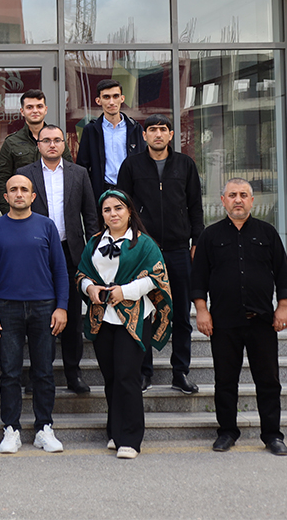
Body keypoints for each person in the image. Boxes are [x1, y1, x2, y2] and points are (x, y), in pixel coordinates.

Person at [191, 178, 287, 456]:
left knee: (268, 381)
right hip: (223, 322)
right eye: (233, 195)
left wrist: (283, 306)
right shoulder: (210, 236)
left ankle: (272, 435)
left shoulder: (267, 232)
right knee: (225, 381)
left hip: (262, 321)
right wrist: (202, 311)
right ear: (223, 200)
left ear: (252, 200)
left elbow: (283, 273)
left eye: (244, 195)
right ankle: (227, 432)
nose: (238, 199)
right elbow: (198, 278)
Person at [75, 188, 173, 460]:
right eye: (107, 210)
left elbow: (157, 277)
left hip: (133, 317)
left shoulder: (144, 244)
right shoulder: (95, 242)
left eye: (118, 208)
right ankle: (115, 431)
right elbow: (81, 273)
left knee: (127, 376)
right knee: (111, 377)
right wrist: (89, 288)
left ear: (129, 211)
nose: (113, 214)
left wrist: (125, 291)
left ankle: (130, 438)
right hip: (103, 317)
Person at [117, 114, 204, 394]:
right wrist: (128, 243)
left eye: (163, 130)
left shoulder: (185, 165)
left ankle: (180, 372)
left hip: (178, 250)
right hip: (144, 251)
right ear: (144, 136)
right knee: (144, 311)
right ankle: (145, 372)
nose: (157, 134)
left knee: (181, 314)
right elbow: (122, 207)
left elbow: (195, 206)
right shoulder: (131, 165)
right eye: (152, 130)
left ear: (170, 135)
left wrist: (197, 241)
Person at [0, 175, 69, 454]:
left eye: (24, 190)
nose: (18, 194)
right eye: (13, 190)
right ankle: (11, 429)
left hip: (44, 306)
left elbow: (60, 269)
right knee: (9, 372)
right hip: (6, 307)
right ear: (5, 197)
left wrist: (62, 306)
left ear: (33, 196)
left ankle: (44, 427)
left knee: (44, 371)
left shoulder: (46, 226)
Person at [17, 124, 98, 394]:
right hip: (35, 254)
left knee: (72, 318)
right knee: (38, 317)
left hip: (70, 252)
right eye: (46, 140)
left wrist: (92, 250)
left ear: (64, 144)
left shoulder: (79, 173)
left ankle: (73, 374)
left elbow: (90, 214)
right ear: (38, 145)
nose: (52, 145)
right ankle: (38, 373)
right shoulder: (24, 174)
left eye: (57, 140)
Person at [0, 89, 72, 215]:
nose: (35, 111)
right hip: (23, 210)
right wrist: (7, 211)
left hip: (55, 207)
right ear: (22, 111)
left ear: (45, 109)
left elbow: (69, 172)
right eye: (29, 107)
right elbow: (2, 178)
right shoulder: (11, 142)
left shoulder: (57, 140)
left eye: (39, 106)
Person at [76, 79, 146, 199]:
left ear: (122, 98)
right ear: (98, 101)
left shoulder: (135, 128)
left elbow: (144, 163)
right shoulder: (90, 130)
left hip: (131, 192)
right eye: (106, 97)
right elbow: (82, 166)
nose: (112, 102)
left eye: (115, 96)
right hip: (101, 192)